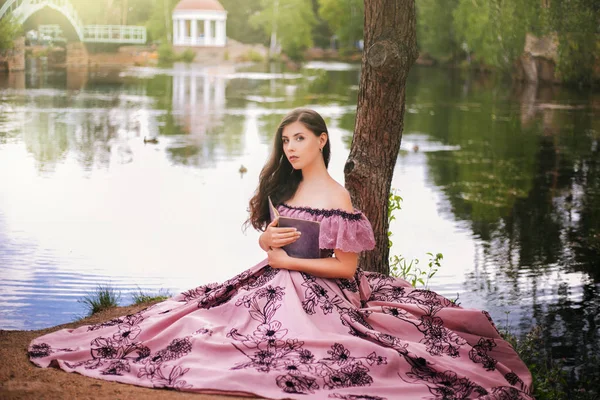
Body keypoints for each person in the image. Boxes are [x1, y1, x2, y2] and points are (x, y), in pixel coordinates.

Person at [29, 108, 533, 399]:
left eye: (300, 139)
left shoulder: (338, 198)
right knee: (198, 319)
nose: (291, 148)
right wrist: (267, 243)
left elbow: (345, 269)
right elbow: (271, 237)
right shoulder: (284, 188)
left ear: (322, 140)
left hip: (319, 291)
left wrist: (287, 262)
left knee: (295, 341)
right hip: (270, 277)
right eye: (285, 140)